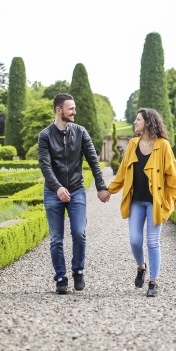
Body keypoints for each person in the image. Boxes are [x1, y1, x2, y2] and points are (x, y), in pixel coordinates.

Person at [38, 93, 110, 294]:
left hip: (77, 189)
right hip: (53, 192)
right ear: (58, 110)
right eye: (71, 109)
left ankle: (78, 270)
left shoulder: (80, 132)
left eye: (74, 108)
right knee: (56, 238)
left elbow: (93, 161)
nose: (74, 112)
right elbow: (45, 166)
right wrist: (57, 187)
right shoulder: (45, 136)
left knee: (79, 232)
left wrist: (101, 186)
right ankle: (60, 277)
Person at [108, 108, 176, 297]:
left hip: (155, 202)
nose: (135, 122)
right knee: (134, 240)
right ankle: (141, 267)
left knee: (153, 242)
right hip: (136, 201)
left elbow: (172, 175)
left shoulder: (163, 145)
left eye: (138, 119)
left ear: (148, 122)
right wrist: (108, 191)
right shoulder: (133, 144)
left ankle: (153, 281)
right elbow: (122, 173)